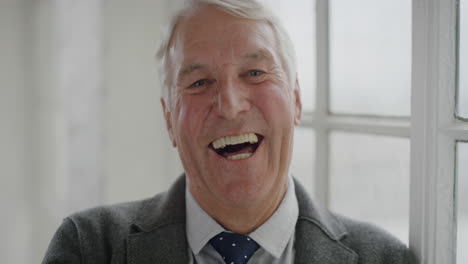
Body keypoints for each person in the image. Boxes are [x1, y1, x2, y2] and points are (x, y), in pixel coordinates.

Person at [42, 0, 415, 263]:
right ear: (169, 119)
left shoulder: (384, 258)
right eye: (200, 82)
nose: (230, 104)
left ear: (296, 100)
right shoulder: (89, 247)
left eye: (254, 73)